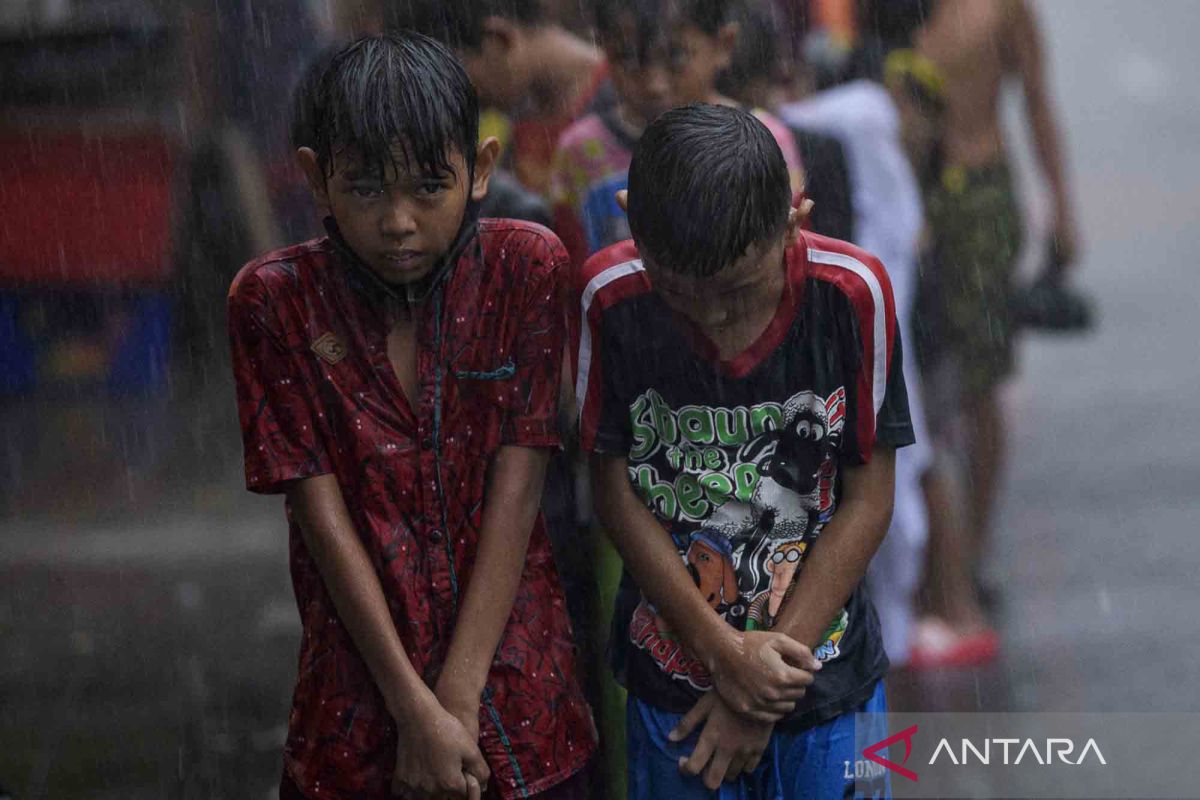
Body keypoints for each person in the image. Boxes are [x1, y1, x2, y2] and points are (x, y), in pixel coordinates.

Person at [227, 34, 595, 800]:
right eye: (365, 190)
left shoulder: (526, 269)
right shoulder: (275, 302)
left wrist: (456, 699)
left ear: (482, 170)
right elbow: (319, 517)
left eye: (429, 188)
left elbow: (519, 491)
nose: (398, 221)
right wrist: (412, 708)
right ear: (315, 180)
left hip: (519, 694)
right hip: (355, 706)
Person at [574, 103, 910, 797]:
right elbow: (613, 489)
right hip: (673, 682)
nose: (713, 319)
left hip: (827, 681)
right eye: (679, 292)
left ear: (795, 218)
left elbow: (869, 497)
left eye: (736, 291)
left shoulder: (851, 296)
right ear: (630, 218)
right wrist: (721, 653)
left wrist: (761, 686)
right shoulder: (612, 301)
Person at [911, 0, 1080, 657]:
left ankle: (969, 555)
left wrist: (1062, 209)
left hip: (978, 196)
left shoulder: (1003, 7)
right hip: (912, 194)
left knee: (981, 381)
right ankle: (934, 560)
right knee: (918, 384)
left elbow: (1037, 99)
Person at [400, 0, 611, 195]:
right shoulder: (515, 124)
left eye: (470, 89)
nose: (476, 106)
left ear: (499, 39)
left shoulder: (624, 103)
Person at [548, 0, 675, 267]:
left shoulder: (731, 140)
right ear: (604, 47)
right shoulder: (579, 148)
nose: (654, 84)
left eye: (670, 56)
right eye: (629, 58)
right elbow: (571, 256)